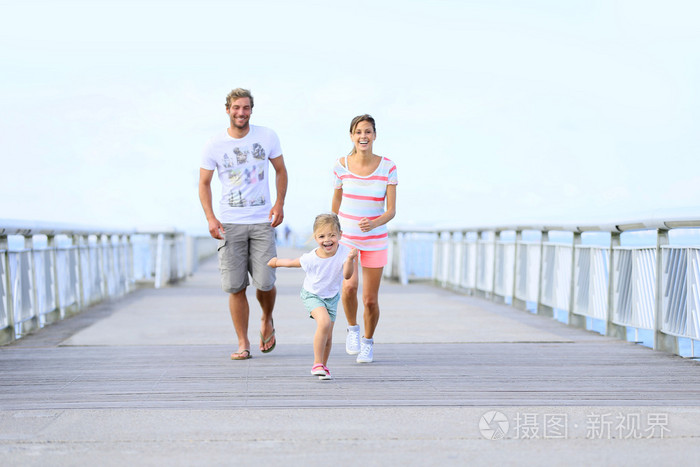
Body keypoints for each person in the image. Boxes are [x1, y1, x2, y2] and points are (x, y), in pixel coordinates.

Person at [199, 88, 288, 360]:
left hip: (262, 221)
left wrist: (279, 204)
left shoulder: (267, 136)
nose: (241, 112)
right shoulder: (214, 144)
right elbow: (203, 183)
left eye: (246, 108)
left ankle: (267, 318)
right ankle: (243, 343)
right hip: (230, 223)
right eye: (236, 107)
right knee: (236, 286)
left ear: (251, 110)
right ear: (227, 109)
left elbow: (281, 170)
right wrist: (211, 218)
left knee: (265, 282)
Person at [331, 114, 397, 363]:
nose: (363, 136)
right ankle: (352, 329)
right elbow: (336, 202)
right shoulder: (340, 165)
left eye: (368, 132)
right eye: (358, 132)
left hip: (375, 240)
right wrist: (332, 233)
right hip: (347, 238)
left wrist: (374, 223)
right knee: (348, 288)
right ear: (351, 136)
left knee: (370, 300)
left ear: (375, 135)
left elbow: (391, 210)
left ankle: (368, 342)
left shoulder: (388, 167)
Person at [268, 213, 357, 380]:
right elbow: (292, 262)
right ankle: (316, 363)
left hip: (331, 297)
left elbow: (347, 275)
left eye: (332, 235)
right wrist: (276, 262)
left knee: (328, 336)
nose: (327, 240)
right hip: (312, 294)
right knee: (323, 323)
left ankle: (323, 366)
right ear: (315, 237)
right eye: (322, 236)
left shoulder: (345, 252)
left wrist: (351, 260)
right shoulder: (312, 257)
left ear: (340, 235)